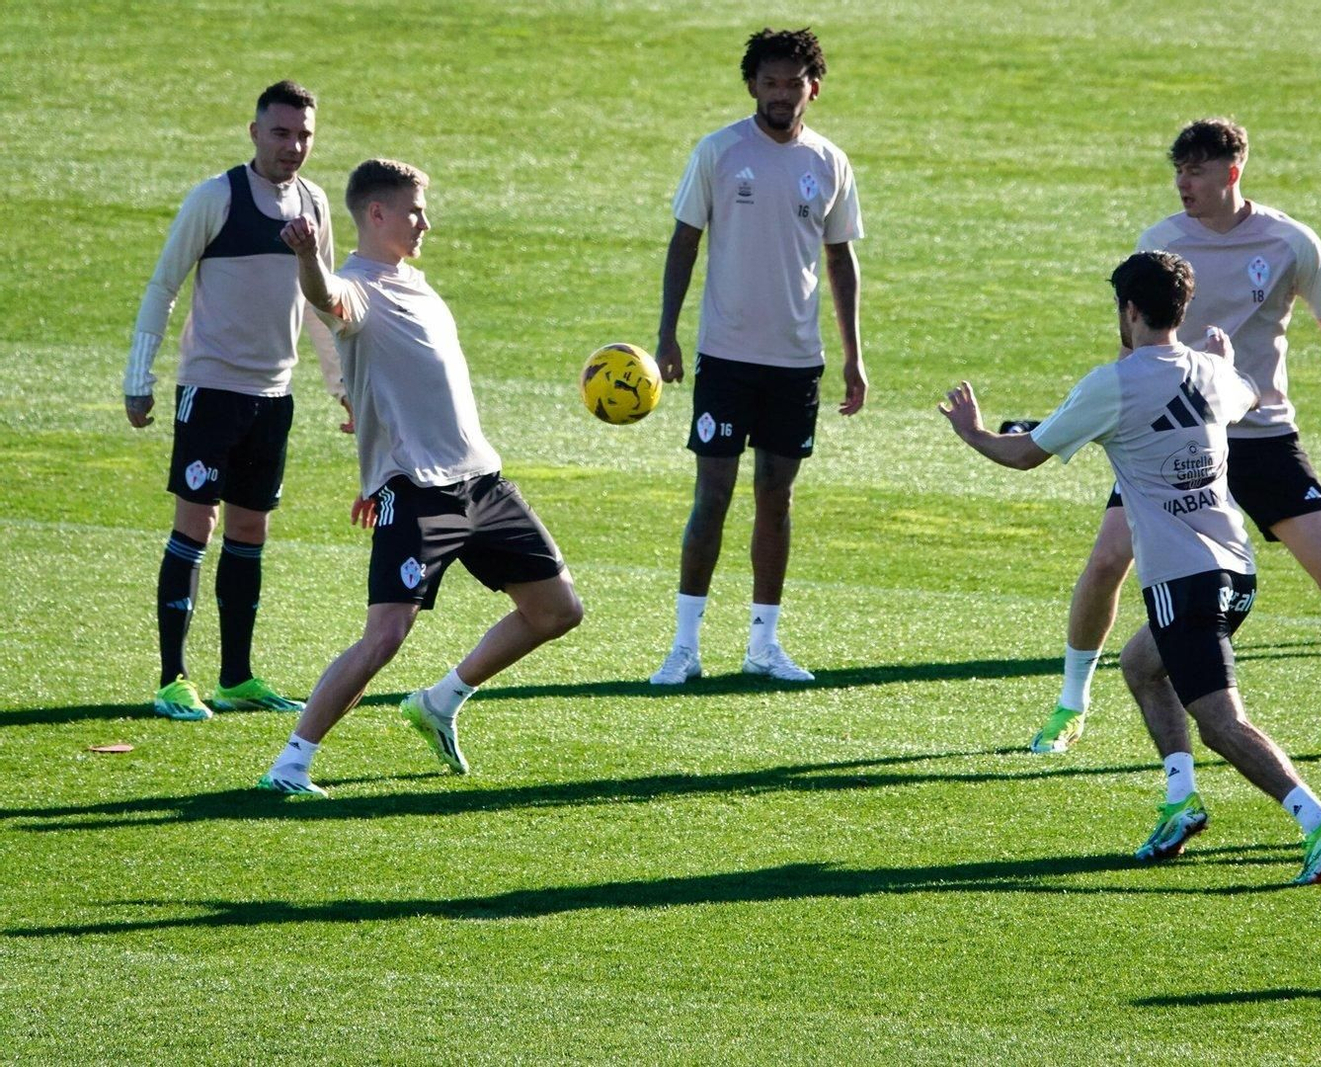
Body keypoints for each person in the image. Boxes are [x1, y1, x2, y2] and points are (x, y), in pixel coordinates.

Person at [942, 251, 1321, 885]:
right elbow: (1245, 396)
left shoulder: (1114, 383)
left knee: (1221, 722)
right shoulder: (1211, 373)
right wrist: (1223, 357)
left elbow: (1026, 453)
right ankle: (1180, 802)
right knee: (1141, 665)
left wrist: (971, 432)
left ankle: (1316, 820)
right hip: (1236, 572)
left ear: (1130, 310)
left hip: (1182, 581)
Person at [1033, 119, 1321, 763]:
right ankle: (1071, 705)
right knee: (1103, 564)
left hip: (1263, 435)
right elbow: (1130, 345)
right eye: (1179, 170)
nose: (1183, 183)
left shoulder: (1290, 240)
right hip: (1176, 436)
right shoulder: (1159, 241)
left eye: (1197, 171)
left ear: (1232, 172)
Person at [256, 159, 583, 796]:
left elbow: (404, 387)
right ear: (376, 214)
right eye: (413, 211)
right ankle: (290, 764)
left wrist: (369, 452)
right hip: (420, 491)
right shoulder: (356, 289)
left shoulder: (416, 284)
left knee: (556, 610)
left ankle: (439, 702)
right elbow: (324, 297)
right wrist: (305, 256)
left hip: (481, 480)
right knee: (385, 636)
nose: (424, 222)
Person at [648, 26, 865, 686]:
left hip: (797, 362)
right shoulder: (719, 152)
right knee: (711, 496)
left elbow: (840, 259)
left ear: (813, 89)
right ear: (751, 85)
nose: (780, 94)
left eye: (792, 83)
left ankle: (764, 645)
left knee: (776, 497)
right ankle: (684, 646)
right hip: (726, 356)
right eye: (768, 82)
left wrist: (854, 356)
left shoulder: (829, 162)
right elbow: (684, 242)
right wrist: (666, 336)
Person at [126, 80, 349, 722]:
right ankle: (173, 678)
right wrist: (138, 378)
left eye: (304, 134)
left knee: (250, 528)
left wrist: (343, 389)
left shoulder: (312, 204)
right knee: (196, 525)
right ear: (254, 132)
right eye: (281, 133)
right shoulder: (216, 197)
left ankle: (236, 677)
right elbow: (163, 284)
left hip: (274, 396)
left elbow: (323, 303)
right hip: (212, 391)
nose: (294, 146)